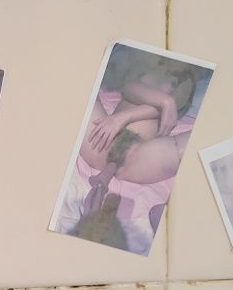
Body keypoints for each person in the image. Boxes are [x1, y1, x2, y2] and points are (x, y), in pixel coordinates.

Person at [79, 60, 197, 193]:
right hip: (100, 138)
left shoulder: (186, 81)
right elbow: (128, 88)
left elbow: (171, 113)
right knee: (82, 80)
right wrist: (165, 101)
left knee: (198, 142)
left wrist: (124, 117)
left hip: (137, 157)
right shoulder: (148, 61)